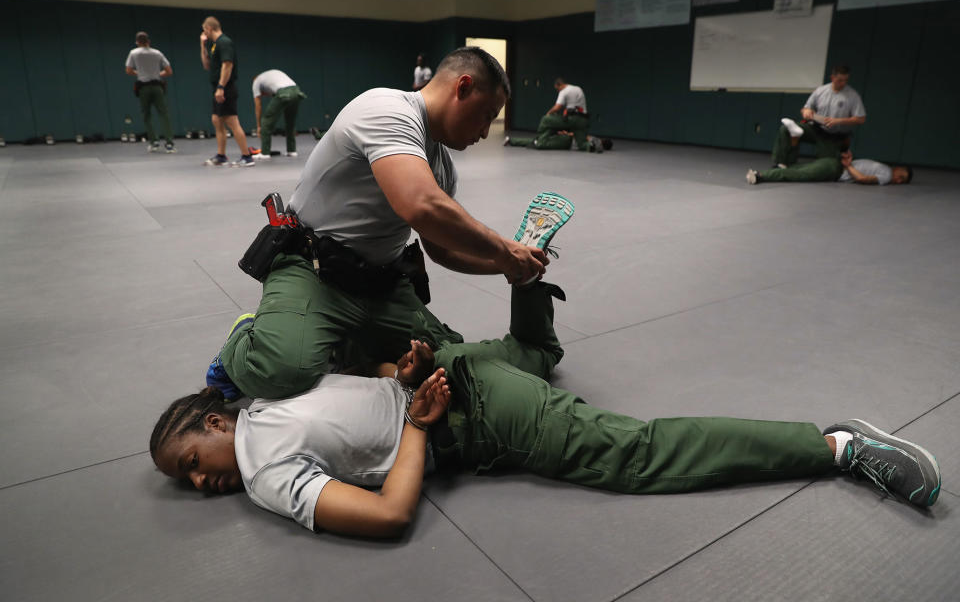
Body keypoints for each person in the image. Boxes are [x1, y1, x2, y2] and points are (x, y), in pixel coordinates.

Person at [152, 259, 942, 539]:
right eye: (187, 480)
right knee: (537, 355)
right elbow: (367, 407)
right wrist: (407, 376)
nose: (199, 480)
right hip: (459, 377)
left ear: (216, 419)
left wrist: (416, 412)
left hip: (471, 413)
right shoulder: (279, 396)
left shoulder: (261, 465)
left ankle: (838, 447)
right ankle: (528, 285)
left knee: (634, 454)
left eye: (191, 459)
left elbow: (391, 516)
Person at [208, 48, 555, 403]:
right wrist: (502, 248)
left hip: (379, 284)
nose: (485, 132)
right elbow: (420, 206)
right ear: (462, 87)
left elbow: (442, 249)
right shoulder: (386, 109)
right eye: (486, 116)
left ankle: (345, 343)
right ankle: (246, 337)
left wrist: (508, 265)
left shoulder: (441, 164)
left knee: (443, 362)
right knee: (278, 373)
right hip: (313, 270)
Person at [771, 65, 866, 168]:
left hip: (834, 136)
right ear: (832, 78)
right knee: (786, 129)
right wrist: (806, 112)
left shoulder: (852, 95)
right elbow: (805, 109)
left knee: (827, 166)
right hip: (816, 129)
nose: (843, 83)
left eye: (845, 80)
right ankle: (782, 164)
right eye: (840, 80)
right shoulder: (820, 91)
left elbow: (861, 119)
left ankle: (811, 165)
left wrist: (838, 121)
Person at [199, 16, 254, 167]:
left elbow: (227, 65)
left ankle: (247, 157)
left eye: (204, 30)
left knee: (232, 121)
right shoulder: (214, 45)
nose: (204, 33)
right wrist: (202, 45)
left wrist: (221, 87)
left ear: (209, 28)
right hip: (218, 87)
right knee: (216, 120)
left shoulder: (224, 42)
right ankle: (221, 155)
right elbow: (207, 65)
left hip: (225, 88)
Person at [505, 78, 602, 152]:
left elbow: (557, 107)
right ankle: (591, 146)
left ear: (559, 85)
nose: (558, 91)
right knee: (582, 144)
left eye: (557, 89)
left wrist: (548, 113)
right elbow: (573, 106)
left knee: (546, 120)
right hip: (583, 121)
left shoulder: (564, 91)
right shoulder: (578, 88)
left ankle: (538, 140)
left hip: (572, 119)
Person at [125, 31, 175, 154]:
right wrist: (158, 74)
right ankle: (169, 144)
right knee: (164, 114)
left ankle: (154, 142)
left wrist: (140, 74)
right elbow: (169, 71)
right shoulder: (157, 53)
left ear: (137, 42)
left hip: (143, 88)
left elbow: (128, 70)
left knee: (146, 115)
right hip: (157, 86)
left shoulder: (133, 53)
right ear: (149, 41)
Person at [746, 150, 912, 185]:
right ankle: (761, 175)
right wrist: (848, 165)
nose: (898, 180)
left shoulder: (881, 166)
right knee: (801, 175)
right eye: (901, 176)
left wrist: (847, 162)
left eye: (901, 181)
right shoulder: (887, 175)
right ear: (897, 170)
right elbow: (861, 178)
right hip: (835, 170)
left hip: (833, 163)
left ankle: (781, 167)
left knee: (800, 169)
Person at [250, 69, 307, 161]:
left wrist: (259, 126)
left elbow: (258, 105)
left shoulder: (256, 82)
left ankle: (264, 153)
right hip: (297, 91)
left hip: (284, 92)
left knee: (266, 121)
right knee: (290, 123)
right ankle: (291, 151)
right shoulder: (271, 76)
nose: (264, 95)